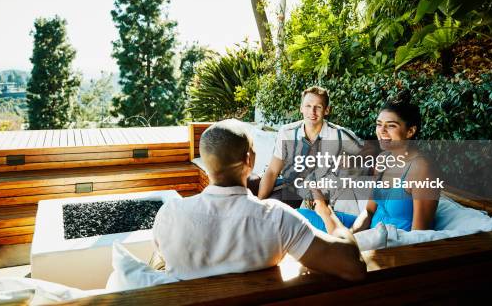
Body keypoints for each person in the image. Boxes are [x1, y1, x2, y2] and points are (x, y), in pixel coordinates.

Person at [152, 119, 366, 281]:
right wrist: (325, 211)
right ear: (249, 160)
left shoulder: (169, 214)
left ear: (206, 164)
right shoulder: (277, 218)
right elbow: (353, 267)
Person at [298, 91, 440, 233]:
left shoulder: (421, 169)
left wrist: (328, 215)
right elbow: (368, 212)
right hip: (369, 234)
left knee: (311, 221)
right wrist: (352, 236)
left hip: (392, 246)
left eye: (391, 126)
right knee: (298, 216)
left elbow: (420, 237)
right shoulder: (383, 159)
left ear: (410, 131)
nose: (381, 131)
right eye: (379, 124)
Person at [252, 86, 370, 209]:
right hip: (292, 190)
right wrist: (259, 206)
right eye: (308, 106)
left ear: (326, 110)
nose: (312, 112)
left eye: (318, 107)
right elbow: (272, 171)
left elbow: (369, 153)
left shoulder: (339, 135)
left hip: (323, 195)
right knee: (271, 211)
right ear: (301, 108)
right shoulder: (287, 132)